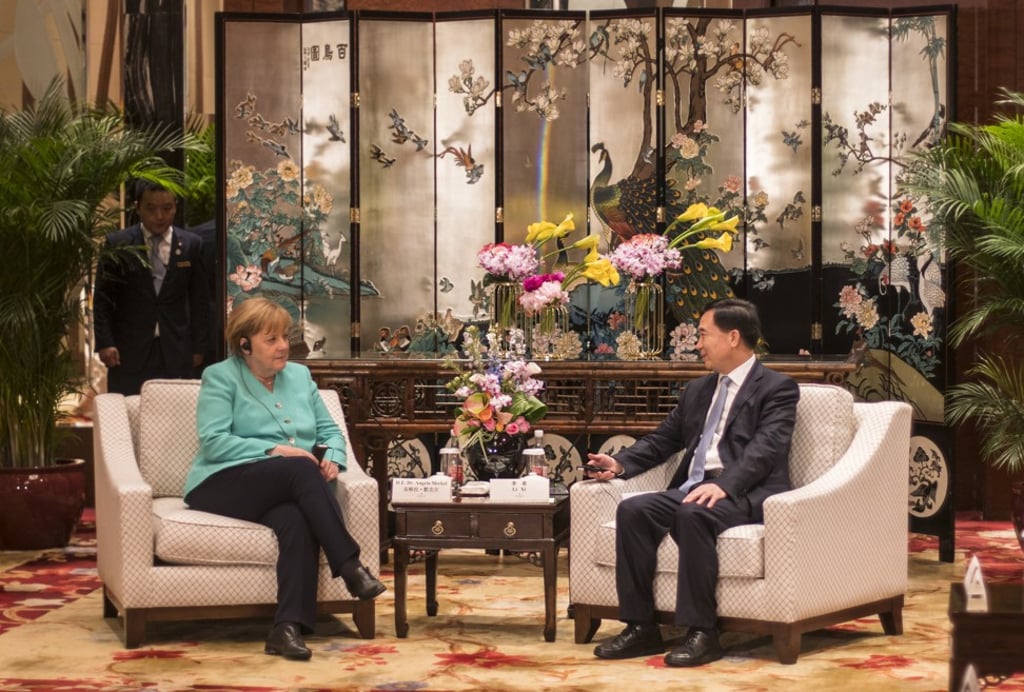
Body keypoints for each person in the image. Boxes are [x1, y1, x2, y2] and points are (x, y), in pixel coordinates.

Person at [585, 298, 800, 667]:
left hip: (743, 492)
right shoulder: (699, 390)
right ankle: (641, 628)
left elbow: (765, 450)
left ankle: (703, 633)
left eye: (703, 335)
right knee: (633, 510)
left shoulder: (777, 388)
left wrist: (726, 485)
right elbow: (662, 441)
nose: (697, 344)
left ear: (733, 337)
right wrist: (619, 464)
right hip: (694, 488)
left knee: (692, 513)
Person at [183, 297, 386, 661]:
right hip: (220, 484)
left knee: (295, 519)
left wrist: (334, 461)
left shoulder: (300, 376)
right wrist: (278, 451)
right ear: (244, 345)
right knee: (299, 468)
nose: (283, 347)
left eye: (284, 337)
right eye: (271, 339)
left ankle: (286, 628)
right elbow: (214, 442)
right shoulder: (220, 376)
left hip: (287, 484)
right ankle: (351, 566)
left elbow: (331, 432)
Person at [94, 180, 211, 395]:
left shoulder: (191, 245)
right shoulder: (119, 243)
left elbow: (200, 300)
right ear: (138, 207)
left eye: (167, 209)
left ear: (176, 206)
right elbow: (103, 298)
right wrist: (104, 342)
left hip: (176, 347)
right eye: (151, 209)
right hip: (129, 349)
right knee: (130, 412)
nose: (159, 216)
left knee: (176, 415)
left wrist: (199, 347)